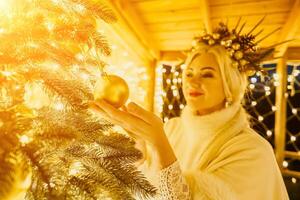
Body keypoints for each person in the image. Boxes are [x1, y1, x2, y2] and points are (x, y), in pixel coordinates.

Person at [89, 22, 289, 199]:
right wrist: (140, 151)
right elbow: (148, 191)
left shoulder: (253, 150)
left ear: (230, 87)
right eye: (189, 73)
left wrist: (159, 143)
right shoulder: (173, 128)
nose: (192, 81)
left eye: (207, 75)